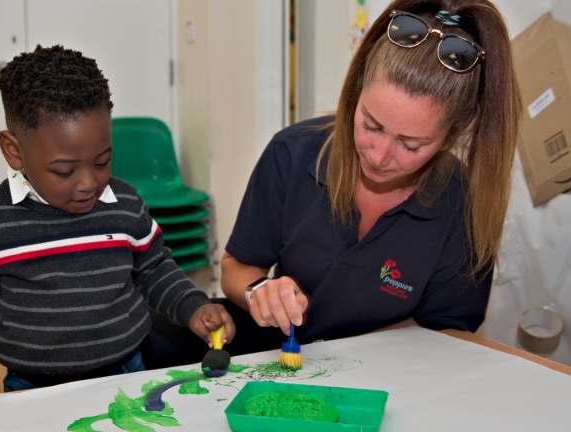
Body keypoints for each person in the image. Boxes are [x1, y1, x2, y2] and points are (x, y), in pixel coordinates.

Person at [0, 45, 235, 391]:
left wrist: (193, 305)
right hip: (31, 388)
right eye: (64, 170)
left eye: (102, 161)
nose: (88, 183)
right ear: (14, 151)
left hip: (127, 372)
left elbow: (155, 270)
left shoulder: (124, 202)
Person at [221, 0, 521, 346]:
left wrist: (348, 359)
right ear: (356, 90)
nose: (378, 157)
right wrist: (259, 292)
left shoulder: (464, 205)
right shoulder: (291, 152)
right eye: (370, 125)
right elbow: (235, 268)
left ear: (452, 134)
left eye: (410, 145)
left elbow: (447, 334)